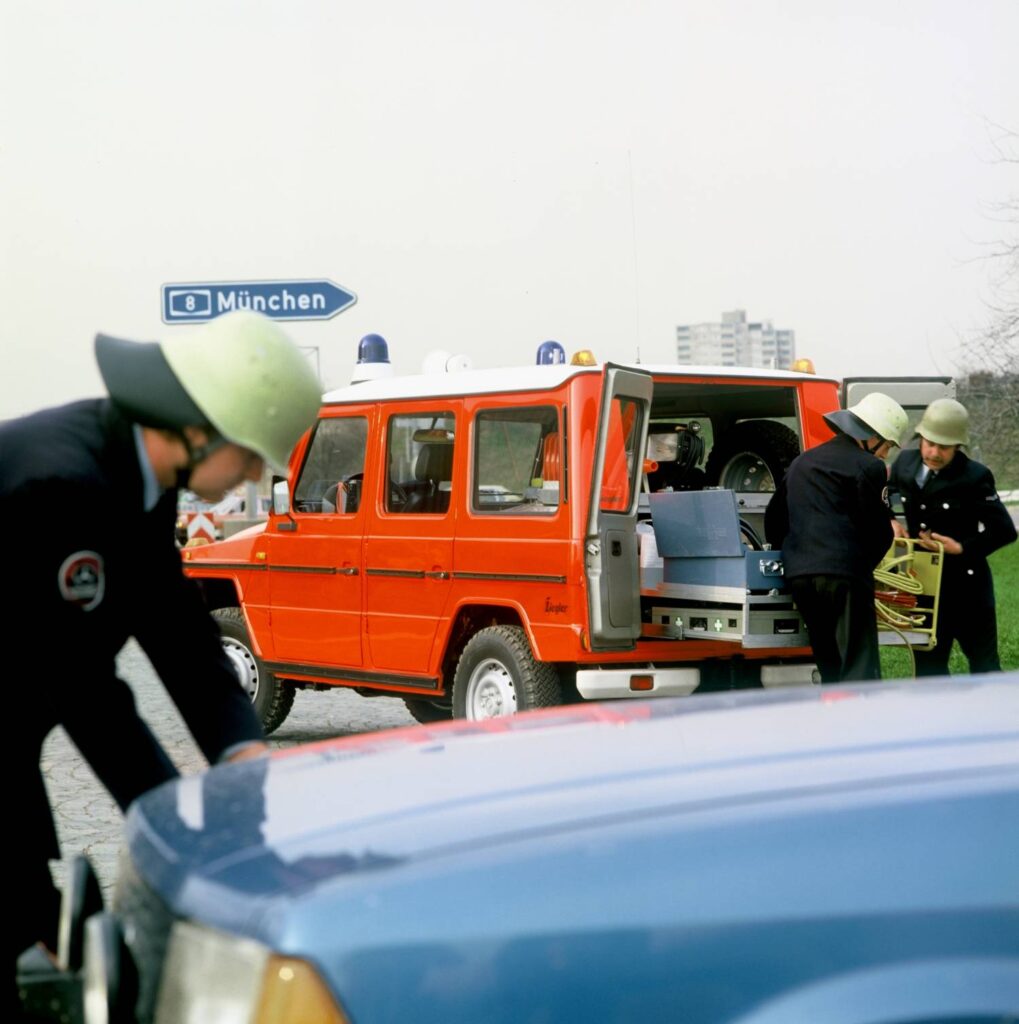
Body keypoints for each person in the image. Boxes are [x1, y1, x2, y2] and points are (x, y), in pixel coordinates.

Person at [4, 311, 321, 983]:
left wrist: (243, 756)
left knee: (47, 960)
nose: (253, 479)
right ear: (200, 430)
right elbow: (87, 693)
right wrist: (179, 828)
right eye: (252, 457)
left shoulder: (132, 478)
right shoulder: (61, 488)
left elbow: (181, 637)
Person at [765, 392, 907, 683]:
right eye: (888, 445)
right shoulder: (869, 466)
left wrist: (794, 559)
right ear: (873, 436)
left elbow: (774, 519)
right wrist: (863, 569)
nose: (885, 454)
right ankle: (860, 722)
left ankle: (834, 717)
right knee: (858, 664)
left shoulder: (802, 462)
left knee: (828, 659)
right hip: (845, 575)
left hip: (800, 576)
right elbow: (878, 531)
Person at [887, 398, 1017, 675]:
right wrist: (890, 520)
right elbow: (886, 495)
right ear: (920, 438)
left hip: (968, 590)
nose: (934, 452)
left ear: (958, 447)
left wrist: (961, 547)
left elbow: (1004, 530)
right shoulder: (904, 464)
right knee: (928, 670)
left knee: (984, 666)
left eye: (944, 447)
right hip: (923, 587)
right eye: (929, 443)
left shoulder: (974, 476)